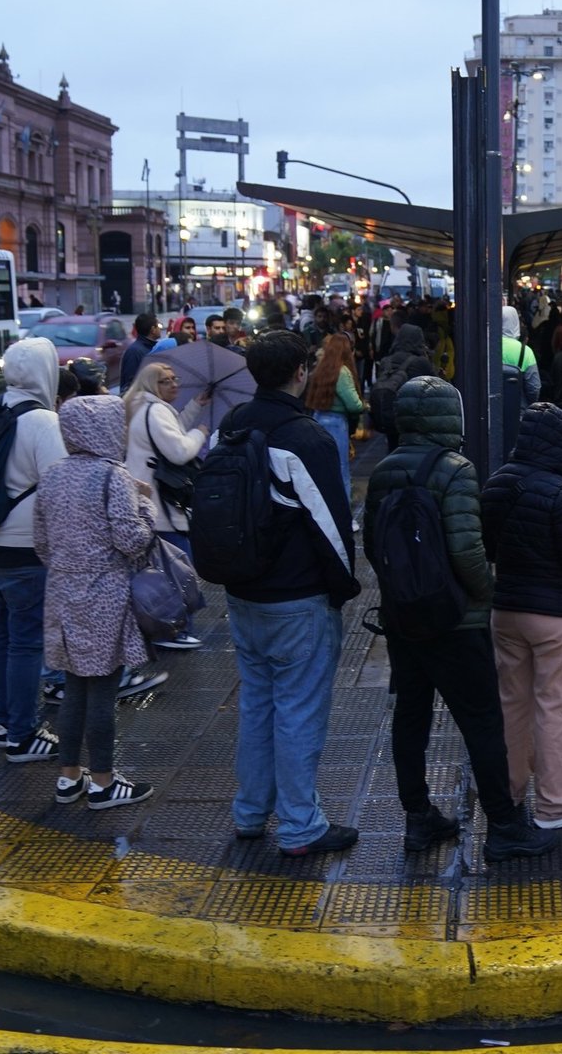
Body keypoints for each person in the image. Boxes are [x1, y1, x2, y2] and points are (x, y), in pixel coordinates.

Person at [365, 376, 557, 860]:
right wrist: (486, 596)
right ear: (452, 415)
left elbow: (372, 544)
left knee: (411, 715)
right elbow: (468, 550)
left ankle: (418, 818)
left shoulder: (385, 470)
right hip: (457, 621)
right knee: (481, 721)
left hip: (403, 617)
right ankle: (504, 825)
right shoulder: (456, 470)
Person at [221, 331, 361, 856]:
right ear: (300, 372)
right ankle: (302, 826)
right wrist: (344, 587)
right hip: (297, 598)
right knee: (299, 710)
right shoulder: (305, 438)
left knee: (257, 705)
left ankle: (251, 812)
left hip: (243, 593)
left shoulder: (232, 426)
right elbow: (331, 525)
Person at [33, 395, 161, 809]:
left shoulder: (51, 475)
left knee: (74, 689)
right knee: (103, 692)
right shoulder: (114, 477)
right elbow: (132, 539)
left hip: (62, 595)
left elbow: (42, 544)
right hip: (104, 597)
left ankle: (69, 778)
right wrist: (146, 506)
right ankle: (104, 783)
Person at [480, 403, 562, 830]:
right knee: (557, 708)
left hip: (507, 609)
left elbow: (487, 550)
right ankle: (557, 805)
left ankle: (509, 794)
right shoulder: (560, 491)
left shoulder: (496, 484)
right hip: (555, 616)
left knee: (512, 705)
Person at [0, 338, 68, 763]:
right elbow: (62, 489)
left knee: (1, 635)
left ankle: (6, 722)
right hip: (27, 552)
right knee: (27, 643)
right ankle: (23, 736)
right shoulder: (43, 422)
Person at [122, 362, 210, 649]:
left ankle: (159, 628)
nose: (174, 385)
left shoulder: (137, 407)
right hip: (164, 505)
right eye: (165, 381)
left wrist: (195, 406)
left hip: (146, 503)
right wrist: (200, 433)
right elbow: (178, 450)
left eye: (175, 379)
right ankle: (176, 631)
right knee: (179, 571)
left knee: (157, 572)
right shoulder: (156, 410)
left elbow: (165, 435)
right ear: (151, 385)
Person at [303, 333, 365, 508]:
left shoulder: (322, 368)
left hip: (318, 418)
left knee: (322, 469)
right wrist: (365, 406)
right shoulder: (342, 371)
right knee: (341, 470)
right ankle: (342, 513)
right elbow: (354, 405)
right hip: (336, 423)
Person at [370, 323, 437, 452]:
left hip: (391, 414)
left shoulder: (386, 361)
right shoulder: (420, 362)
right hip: (413, 418)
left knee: (393, 449)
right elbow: (435, 386)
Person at [119, 313, 161, 393]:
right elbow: (129, 384)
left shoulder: (155, 348)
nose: (160, 329)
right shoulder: (134, 352)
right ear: (153, 329)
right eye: (159, 326)